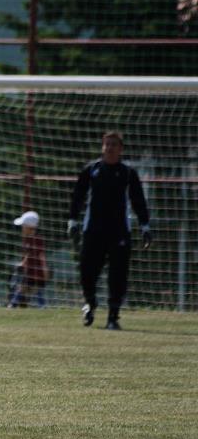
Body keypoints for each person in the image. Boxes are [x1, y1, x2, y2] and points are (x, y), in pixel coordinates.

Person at [68, 131, 151, 330]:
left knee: (118, 275)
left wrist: (145, 225)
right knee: (87, 271)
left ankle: (113, 316)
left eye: (114, 144)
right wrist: (72, 220)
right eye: (106, 144)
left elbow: (138, 199)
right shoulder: (91, 170)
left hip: (119, 232)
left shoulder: (128, 173)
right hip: (93, 230)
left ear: (121, 149)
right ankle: (90, 303)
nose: (110, 148)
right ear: (102, 147)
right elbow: (78, 196)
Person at [8, 211, 48, 308]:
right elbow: (28, 255)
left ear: (29, 227)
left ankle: (13, 305)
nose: (22, 228)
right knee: (25, 289)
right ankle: (14, 304)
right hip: (29, 272)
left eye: (23, 226)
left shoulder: (36, 240)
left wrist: (45, 270)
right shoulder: (28, 239)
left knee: (32, 290)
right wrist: (22, 263)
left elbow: (41, 256)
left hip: (36, 273)